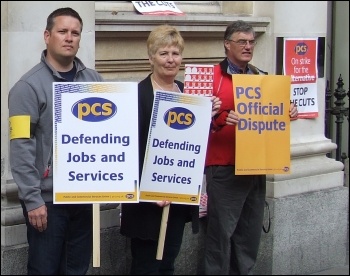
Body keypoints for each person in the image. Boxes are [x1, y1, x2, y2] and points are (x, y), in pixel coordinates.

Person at [8, 7, 104, 275]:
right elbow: (21, 146)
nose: (69, 38)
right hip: (47, 203)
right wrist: (32, 199)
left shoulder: (94, 81)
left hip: (84, 198)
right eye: (62, 31)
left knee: (76, 270)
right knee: (44, 270)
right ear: (47, 36)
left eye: (75, 33)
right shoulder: (27, 88)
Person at [120, 24, 221, 275]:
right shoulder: (136, 96)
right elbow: (126, 150)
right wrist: (147, 191)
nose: (170, 59)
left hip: (178, 197)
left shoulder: (190, 95)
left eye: (175, 53)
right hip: (147, 202)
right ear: (151, 57)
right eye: (164, 53)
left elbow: (194, 145)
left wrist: (209, 116)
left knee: (168, 265)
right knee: (146, 266)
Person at [203, 20, 298, 275]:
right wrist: (221, 117)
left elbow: (273, 113)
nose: (247, 46)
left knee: (248, 236)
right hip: (224, 166)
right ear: (227, 44)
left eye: (251, 42)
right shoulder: (211, 77)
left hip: (256, 165)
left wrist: (287, 110)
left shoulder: (262, 78)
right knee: (220, 237)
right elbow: (194, 120)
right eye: (241, 41)